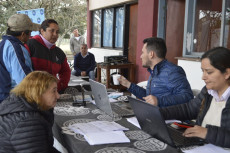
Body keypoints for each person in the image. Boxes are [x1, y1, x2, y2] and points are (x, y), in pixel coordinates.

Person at [160, 47, 230, 148]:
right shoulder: (208, 91)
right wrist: (159, 113)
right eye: (203, 71)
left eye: (209, 72)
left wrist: (207, 133)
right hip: (201, 147)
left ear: (227, 73)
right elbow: (188, 109)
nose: (203, 77)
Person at [118, 37, 193, 107]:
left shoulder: (172, 71)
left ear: (151, 54)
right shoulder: (154, 71)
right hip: (155, 115)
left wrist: (159, 101)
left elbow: (187, 97)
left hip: (171, 118)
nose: (141, 56)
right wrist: (128, 85)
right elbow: (149, 97)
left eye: (142, 52)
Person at [0, 71, 60, 152]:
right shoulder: (28, 121)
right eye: (54, 91)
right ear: (38, 92)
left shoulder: (17, 104)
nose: (58, 96)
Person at [0, 14, 40, 102]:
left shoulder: (4, 44)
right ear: (23, 34)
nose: (30, 35)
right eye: (30, 32)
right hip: (11, 99)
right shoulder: (15, 48)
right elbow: (24, 79)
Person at [25, 19, 71, 92]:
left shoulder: (59, 52)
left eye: (57, 32)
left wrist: (61, 85)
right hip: (33, 93)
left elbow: (66, 71)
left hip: (52, 93)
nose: (55, 34)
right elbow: (23, 70)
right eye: (52, 31)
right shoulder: (30, 45)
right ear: (42, 31)